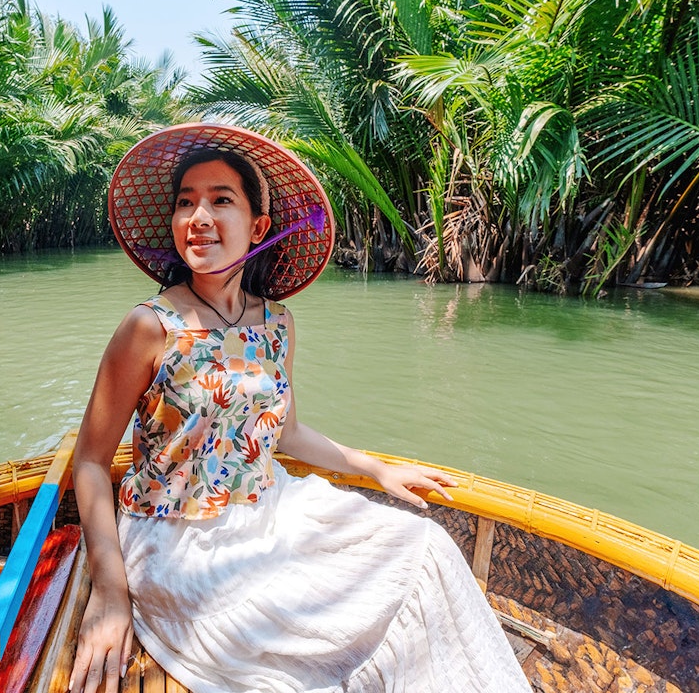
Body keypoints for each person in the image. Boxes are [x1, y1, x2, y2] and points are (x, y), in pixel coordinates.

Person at [69, 123, 531, 693]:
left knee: (426, 551)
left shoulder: (278, 323)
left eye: (221, 200)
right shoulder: (150, 326)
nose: (199, 217)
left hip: (271, 508)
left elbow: (282, 434)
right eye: (185, 203)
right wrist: (109, 590)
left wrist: (375, 468)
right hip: (178, 539)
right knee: (290, 652)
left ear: (257, 226)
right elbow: (90, 460)